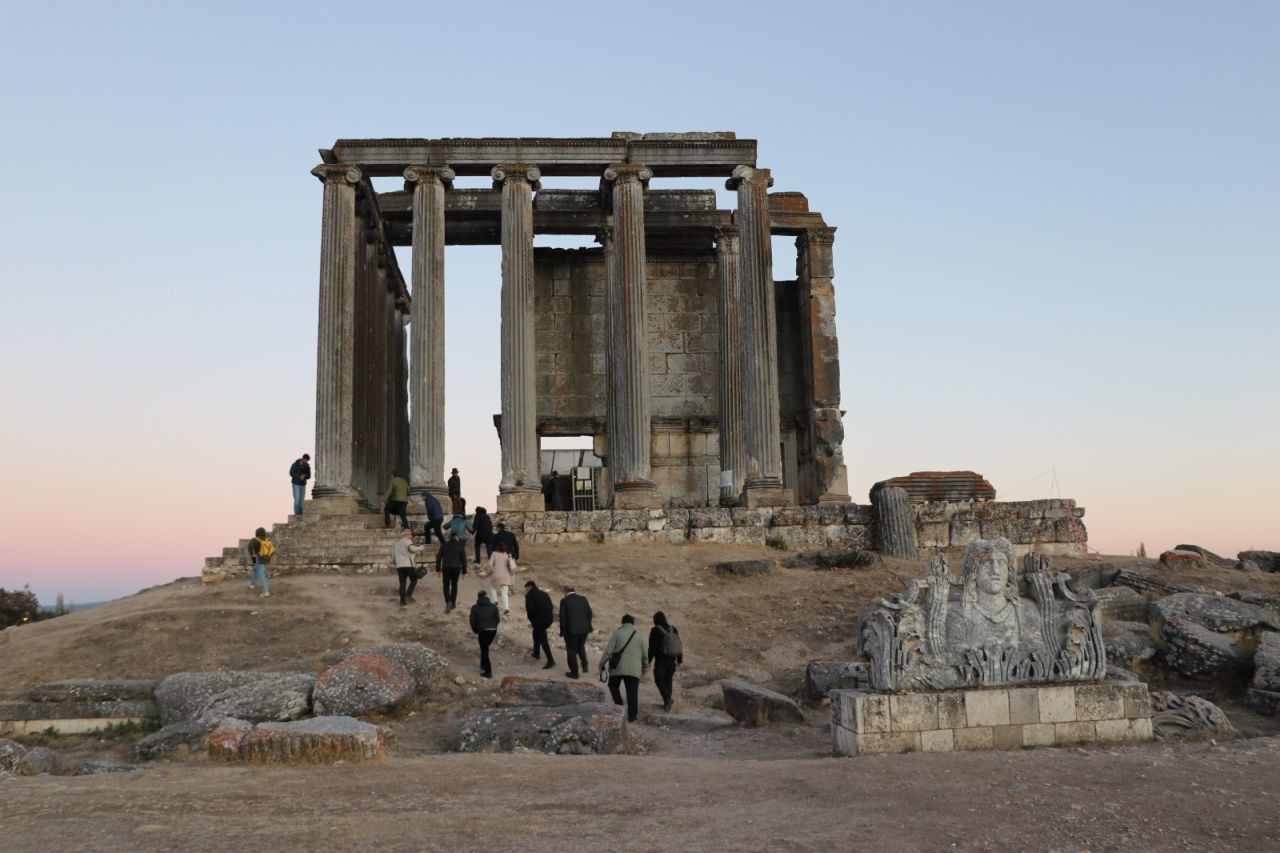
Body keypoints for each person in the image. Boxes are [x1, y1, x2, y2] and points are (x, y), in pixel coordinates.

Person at [599, 614, 647, 723]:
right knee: (632, 694)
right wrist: (644, 668)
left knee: (613, 685)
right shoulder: (639, 636)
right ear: (632, 623)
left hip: (617, 669)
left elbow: (608, 652)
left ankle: (619, 707)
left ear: (622, 622)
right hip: (634, 670)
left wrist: (601, 664)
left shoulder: (617, 633)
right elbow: (645, 655)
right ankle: (632, 717)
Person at [648, 611, 684, 712]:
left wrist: (649, 660)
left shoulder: (655, 630)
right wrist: (680, 659)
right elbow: (678, 645)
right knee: (668, 680)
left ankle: (667, 699)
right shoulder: (673, 629)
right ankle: (667, 701)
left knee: (658, 680)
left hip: (661, 661)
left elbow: (652, 648)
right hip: (672, 660)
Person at [558, 585, 593, 679]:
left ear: (565, 591)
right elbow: (589, 613)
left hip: (571, 631)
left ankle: (574, 673)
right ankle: (585, 665)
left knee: (571, 651)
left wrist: (562, 631)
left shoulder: (564, 601)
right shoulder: (583, 599)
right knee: (581, 646)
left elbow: (562, 618)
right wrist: (587, 625)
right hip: (584, 630)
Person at [523, 581, 555, 670]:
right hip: (548, 619)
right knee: (536, 634)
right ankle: (536, 653)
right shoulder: (544, 593)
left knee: (543, 639)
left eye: (526, 588)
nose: (525, 590)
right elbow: (551, 606)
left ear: (529, 587)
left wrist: (533, 621)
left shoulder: (529, 596)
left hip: (539, 620)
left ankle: (551, 660)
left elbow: (530, 610)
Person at [468, 590, 500, 678]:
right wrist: (494, 626)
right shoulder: (493, 606)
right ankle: (482, 664)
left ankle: (488, 672)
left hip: (482, 631)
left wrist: (476, 630)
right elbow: (497, 619)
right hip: (493, 630)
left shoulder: (475, 608)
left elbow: (472, 621)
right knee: (485, 648)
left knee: (484, 650)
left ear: (478, 597)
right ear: (486, 596)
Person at [435, 531, 468, 612]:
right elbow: (464, 560)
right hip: (456, 567)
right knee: (454, 585)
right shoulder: (460, 546)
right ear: (456, 537)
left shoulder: (444, 545)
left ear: (450, 537)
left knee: (446, 585)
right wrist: (464, 572)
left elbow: (438, 558)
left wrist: (438, 569)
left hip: (446, 567)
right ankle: (453, 603)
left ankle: (448, 601)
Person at [393, 529, 424, 607]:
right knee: (414, 580)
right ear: (406, 535)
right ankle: (408, 596)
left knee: (402, 583)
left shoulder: (396, 543)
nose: (411, 536)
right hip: (408, 565)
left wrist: (397, 562)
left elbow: (393, 556)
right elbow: (411, 548)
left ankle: (402, 601)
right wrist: (421, 547)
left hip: (400, 566)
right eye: (410, 534)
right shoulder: (407, 541)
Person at [487, 540, 516, 615]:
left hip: (496, 575)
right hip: (506, 576)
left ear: (497, 548)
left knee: (492, 587)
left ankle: (495, 602)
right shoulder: (508, 555)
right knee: (504, 593)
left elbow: (490, 564)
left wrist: (492, 571)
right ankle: (506, 610)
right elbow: (512, 566)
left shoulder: (494, 553)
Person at [246, 527, 274, 598]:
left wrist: (252, 555)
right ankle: (252, 584)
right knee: (256, 569)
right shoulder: (267, 540)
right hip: (265, 558)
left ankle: (265, 591)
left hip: (258, 558)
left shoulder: (255, 540)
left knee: (261, 574)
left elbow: (250, 547)